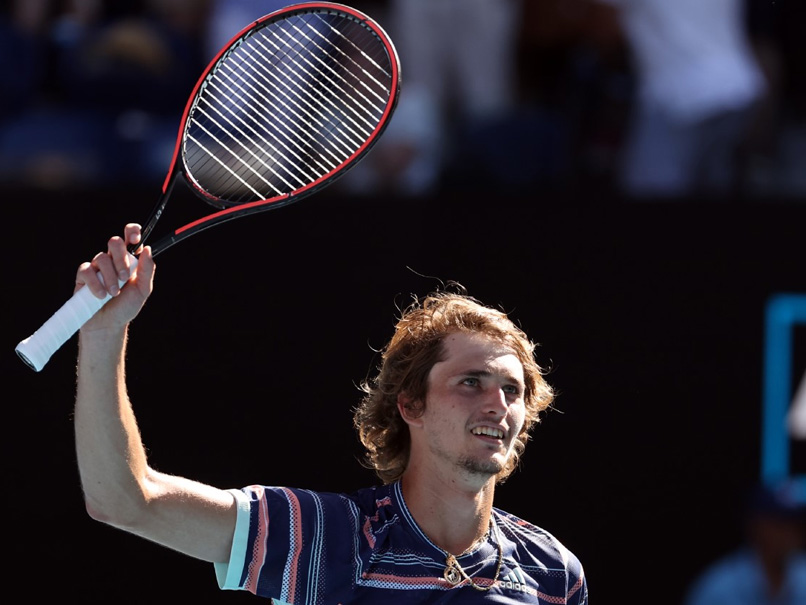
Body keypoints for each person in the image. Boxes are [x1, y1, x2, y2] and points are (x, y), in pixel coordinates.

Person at [73, 223, 588, 603]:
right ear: (410, 405)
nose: (498, 405)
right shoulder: (328, 538)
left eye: (513, 390)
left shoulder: (553, 575)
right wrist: (102, 334)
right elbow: (126, 500)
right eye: (470, 382)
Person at [593, 0, 768, 199]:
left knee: (652, 195)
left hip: (681, 93)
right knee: (709, 187)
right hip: (737, 85)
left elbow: (603, 28)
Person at [683, 478, 806, 605]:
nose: (792, 534)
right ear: (757, 526)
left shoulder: (803, 576)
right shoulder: (719, 588)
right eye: (781, 525)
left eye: (797, 526)